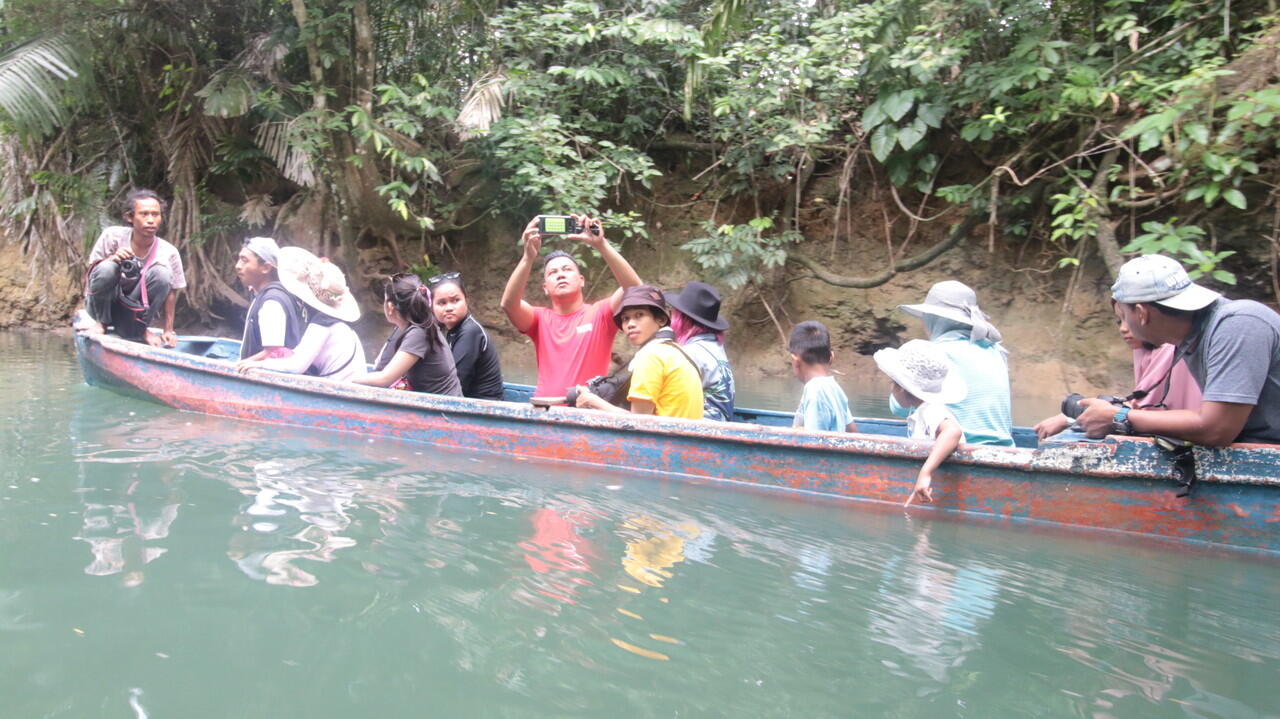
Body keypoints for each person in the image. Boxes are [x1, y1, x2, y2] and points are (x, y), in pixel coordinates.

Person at [1076, 254, 1280, 446]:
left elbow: (1217, 429)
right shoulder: (1191, 338)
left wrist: (1119, 416)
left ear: (1141, 313)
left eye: (1123, 315)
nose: (1124, 326)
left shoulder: (1239, 325)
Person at [501, 214, 642, 399]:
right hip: (545, 412)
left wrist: (601, 245)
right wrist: (528, 258)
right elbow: (509, 304)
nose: (560, 275)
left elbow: (635, 290)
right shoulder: (539, 319)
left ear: (581, 280)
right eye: (553, 272)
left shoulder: (600, 314)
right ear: (545, 288)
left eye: (567, 269)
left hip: (587, 414)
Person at [1034, 307, 1202, 439]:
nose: (1123, 329)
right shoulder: (1144, 353)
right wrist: (1069, 418)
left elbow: (1143, 409)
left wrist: (1069, 419)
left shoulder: (1170, 349)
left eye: (1129, 320)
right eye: (1119, 321)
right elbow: (1138, 406)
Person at [896, 281, 1013, 446]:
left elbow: (899, 405)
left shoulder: (934, 353)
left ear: (933, 319)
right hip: (1005, 451)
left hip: (959, 452)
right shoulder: (996, 351)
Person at [236, 248, 366, 381]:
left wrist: (259, 364)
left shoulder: (323, 323)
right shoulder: (332, 321)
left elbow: (296, 366)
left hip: (340, 389)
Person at [573, 285, 703, 419]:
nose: (630, 324)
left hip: (666, 439)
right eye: (625, 319)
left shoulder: (651, 355)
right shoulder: (678, 351)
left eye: (639, 315)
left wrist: (593, 401)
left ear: (661, 320)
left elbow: (638, 423)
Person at [82, 189, 186, 348]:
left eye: (155, 214)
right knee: (107, 268)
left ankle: (139, 329)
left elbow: (172, 292)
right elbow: (92, 273)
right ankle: (101, 323)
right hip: (101, 306)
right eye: (144, 214)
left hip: (133, 313)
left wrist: (168, 330)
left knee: (162, 274)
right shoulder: (112, 237)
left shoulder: (169, 252)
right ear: (129, 217)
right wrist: (113, 259)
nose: (151, 220)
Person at [873, 339, 968, 507]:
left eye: (891, 384)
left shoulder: (930, 410)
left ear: (901, 388)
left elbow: (953, 432)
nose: (891, 389)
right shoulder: (921, 411)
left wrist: (925, 472)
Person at [353, 273, 463, 396]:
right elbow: (380, 365)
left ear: (390, 307)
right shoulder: (410, 327)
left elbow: (384, 379)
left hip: (443, 410)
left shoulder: (419, 333)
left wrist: (346, 380)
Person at [664, 282, 736, 421]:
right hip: (723, 428)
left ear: (682, 319)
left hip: (700, 433)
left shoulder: (690, 353)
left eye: (673, 314)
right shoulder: (716, 348)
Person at [428, 271, 504, 400]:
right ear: (432, 307)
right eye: (442, 303)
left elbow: (456, 382)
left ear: (466, 301)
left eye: (455, 300)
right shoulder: (451, 331)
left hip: (483, 409)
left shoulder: (470, 331)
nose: (449, 307)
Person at [235, 237, 306, 361]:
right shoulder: (278, 293)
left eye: (245, 261)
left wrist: (236, 368)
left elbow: (272, 353)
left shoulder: (271, 303)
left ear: (266, 268)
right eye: (239, 259)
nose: (238, 266)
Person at [788, 321, 857, 433]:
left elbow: (813, 442)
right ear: (831, 357)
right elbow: (852, 431)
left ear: (795, 361)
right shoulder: (834, 387)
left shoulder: (814, 391)